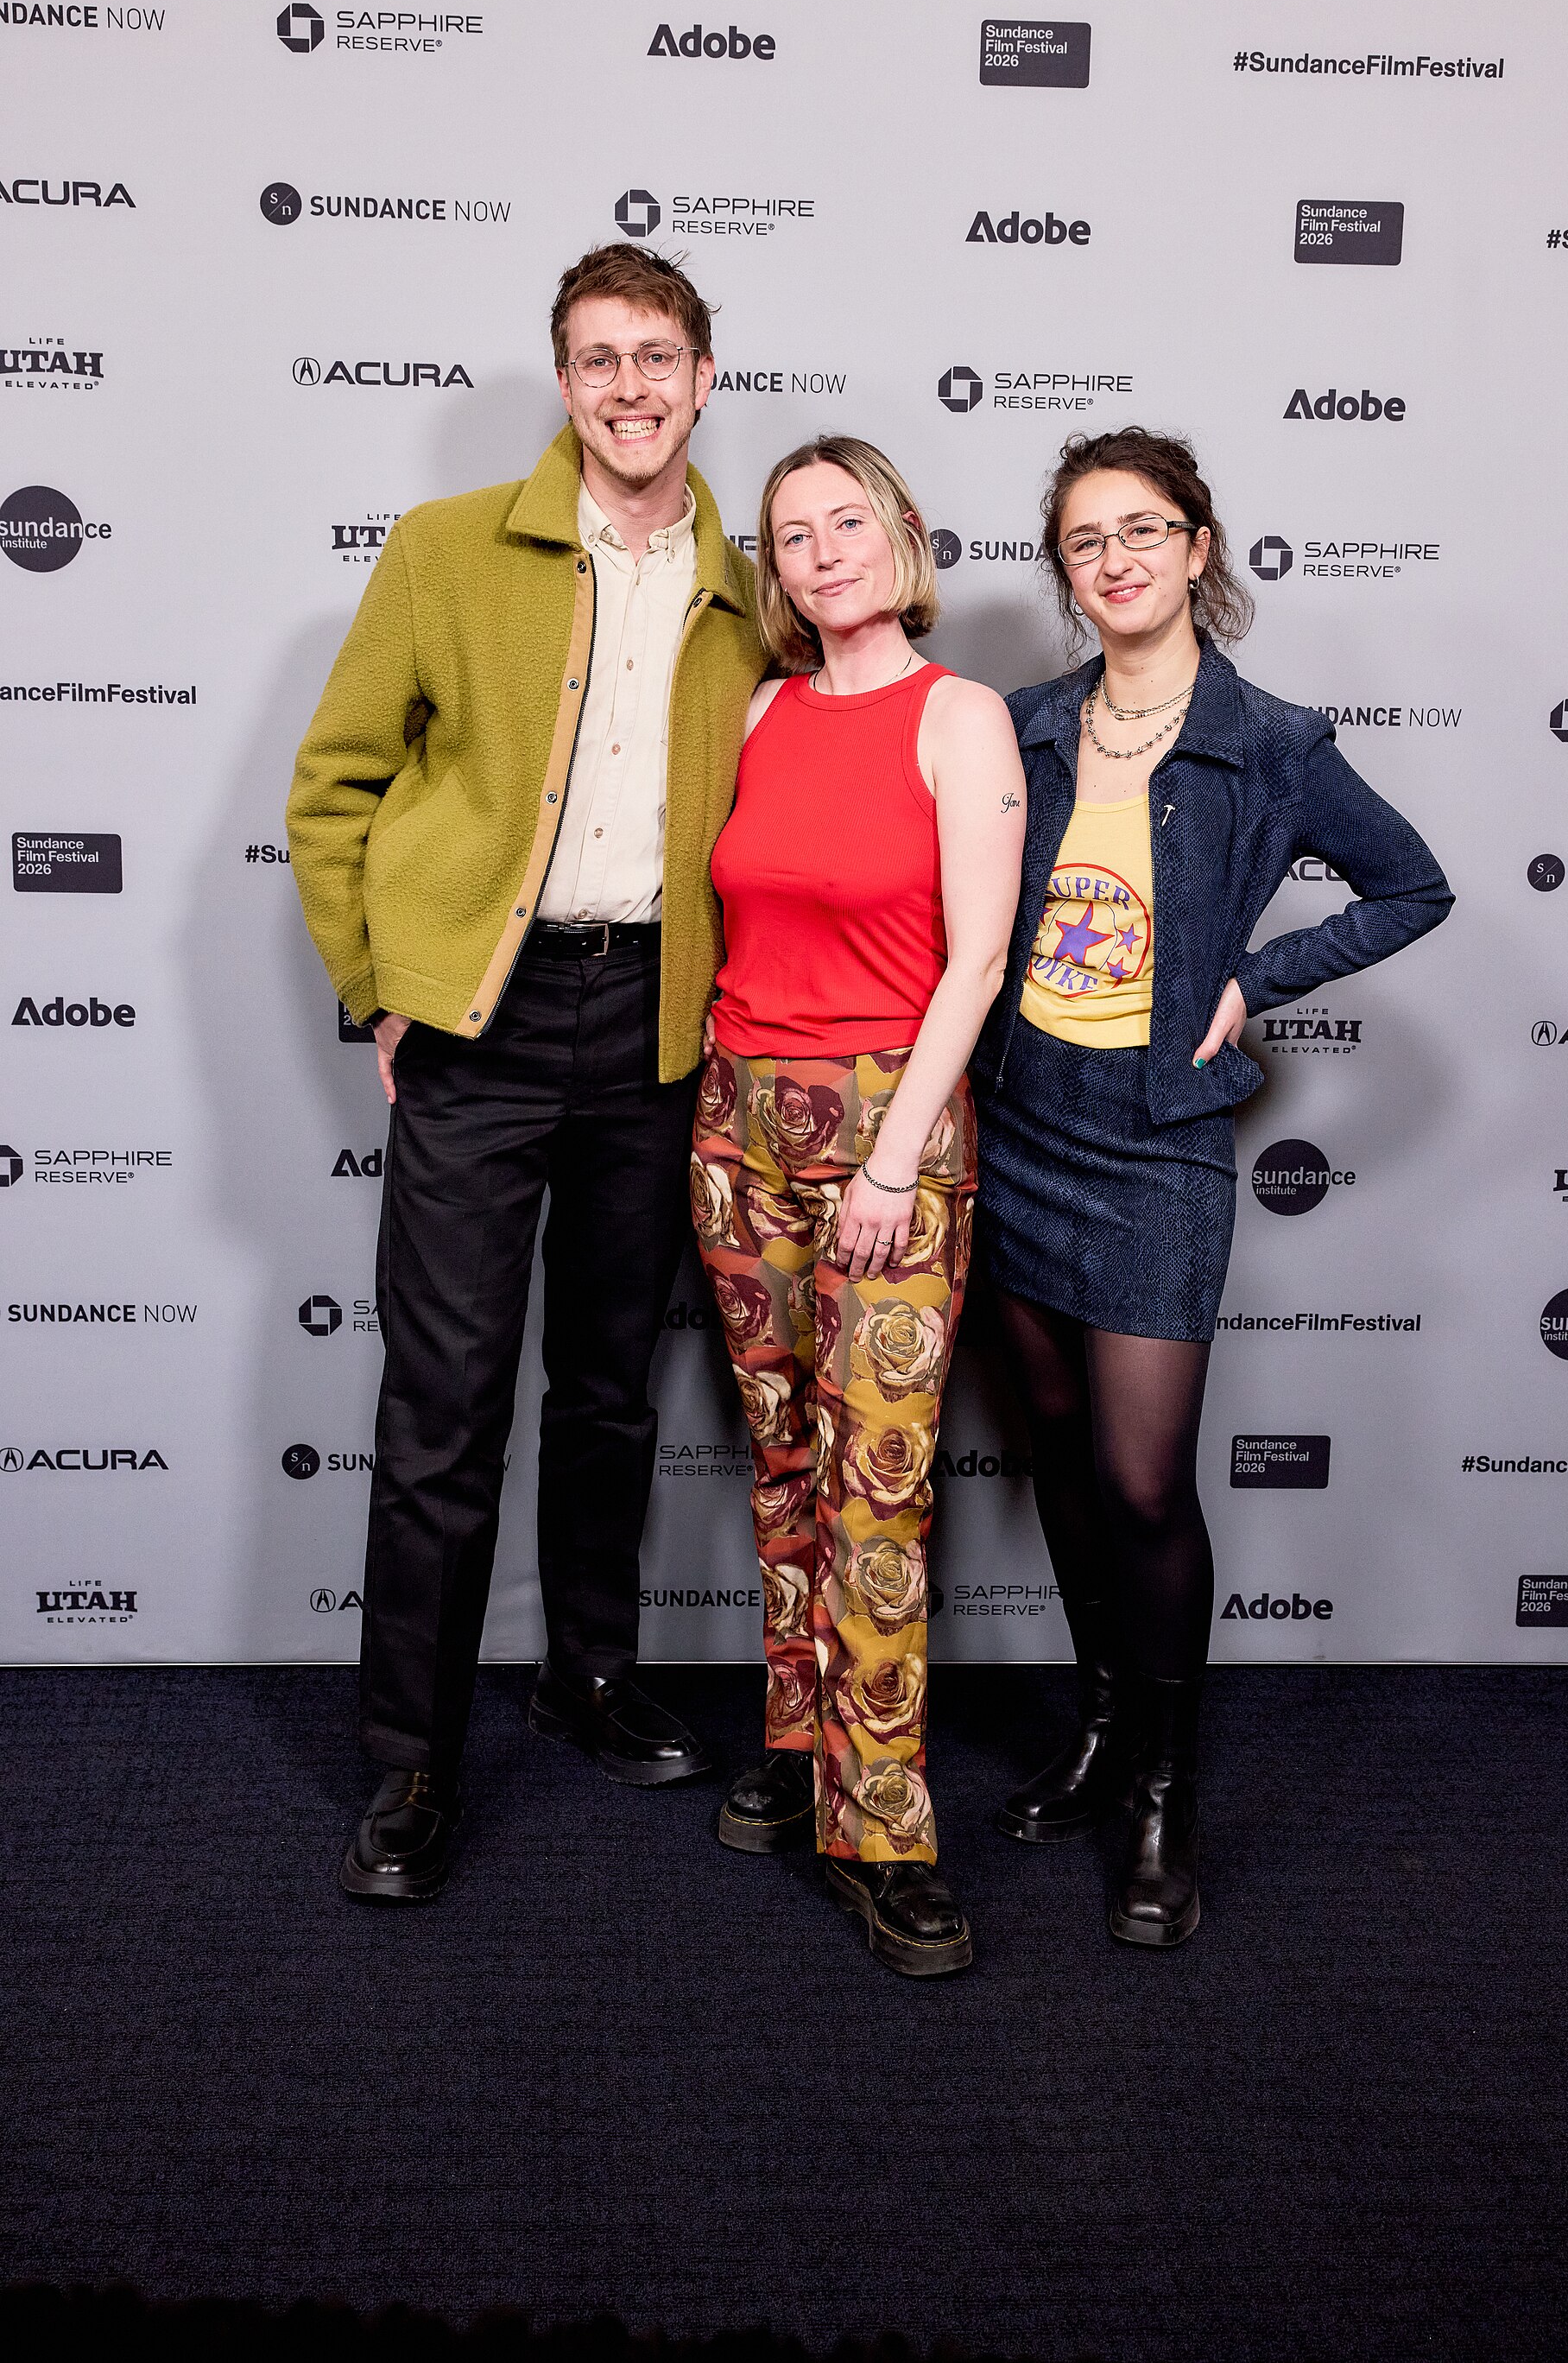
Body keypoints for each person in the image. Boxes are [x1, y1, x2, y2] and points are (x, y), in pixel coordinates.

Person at [286, 243, 768, 1904]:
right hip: (480, 1031)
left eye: (657, 356)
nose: (629, 386)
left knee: (614, 1389)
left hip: (655, 1028)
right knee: (444, 1408)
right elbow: (334, 786)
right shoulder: (446, 552)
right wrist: (383, 987)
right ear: (563, 384)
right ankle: (412, 1760)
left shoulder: (752, 584)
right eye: (595, 359)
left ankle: (589, 1672)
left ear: (707, 376)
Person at [974, 428, 1453, 1947]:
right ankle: (1106, 1722)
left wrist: (1257, 978)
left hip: (1160, 1145)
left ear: (1198, 547)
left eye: (1142, 530)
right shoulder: (1025, 725)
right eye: (1083, 542)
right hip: (1018, 1120)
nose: (1113, 560)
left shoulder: (1276, 741)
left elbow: (1413, 885)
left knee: (1139, 1481)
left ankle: (1167, 1791)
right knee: (1051, 1452)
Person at [691, 437, 1025, 1977]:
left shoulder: (961, 720)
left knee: (874, 1482)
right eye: (790, 537)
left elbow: (976, 962)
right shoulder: (758, 711)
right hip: (734, 1132)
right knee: (778, 1464)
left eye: (848, 523)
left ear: (901, 538)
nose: (822, 554)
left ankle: (882, 1827)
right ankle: (799, 1740)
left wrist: (896, 1160)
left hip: (892, 1145)